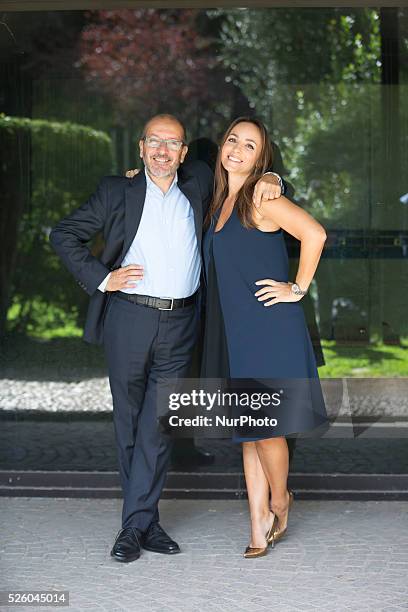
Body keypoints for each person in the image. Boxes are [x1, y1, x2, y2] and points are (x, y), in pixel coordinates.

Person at [49, 113, 283, 563]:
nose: (162, 151)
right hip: (129, 319)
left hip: (181, 323)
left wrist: (272, 175)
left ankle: (136, 525)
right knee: (130, 424)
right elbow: (65, 235)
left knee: (160, 425)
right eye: (153, 142)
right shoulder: (116, 190)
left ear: (183, 153)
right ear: (140, 148)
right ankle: (142, 523)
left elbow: (248, 167)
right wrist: (103, 278)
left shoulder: (199, 184)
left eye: (171, 144)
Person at [202, 117, 328, 558]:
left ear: (262, 158)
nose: (237, 149)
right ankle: (258, 530)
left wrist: (297, 288)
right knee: (249, 431)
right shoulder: (219, 200)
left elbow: (315, 234)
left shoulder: (262, 198)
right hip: (237, 331)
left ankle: (281, 500)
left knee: (266, 429)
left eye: (249, 145)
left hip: (270, 327)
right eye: (233, 140)